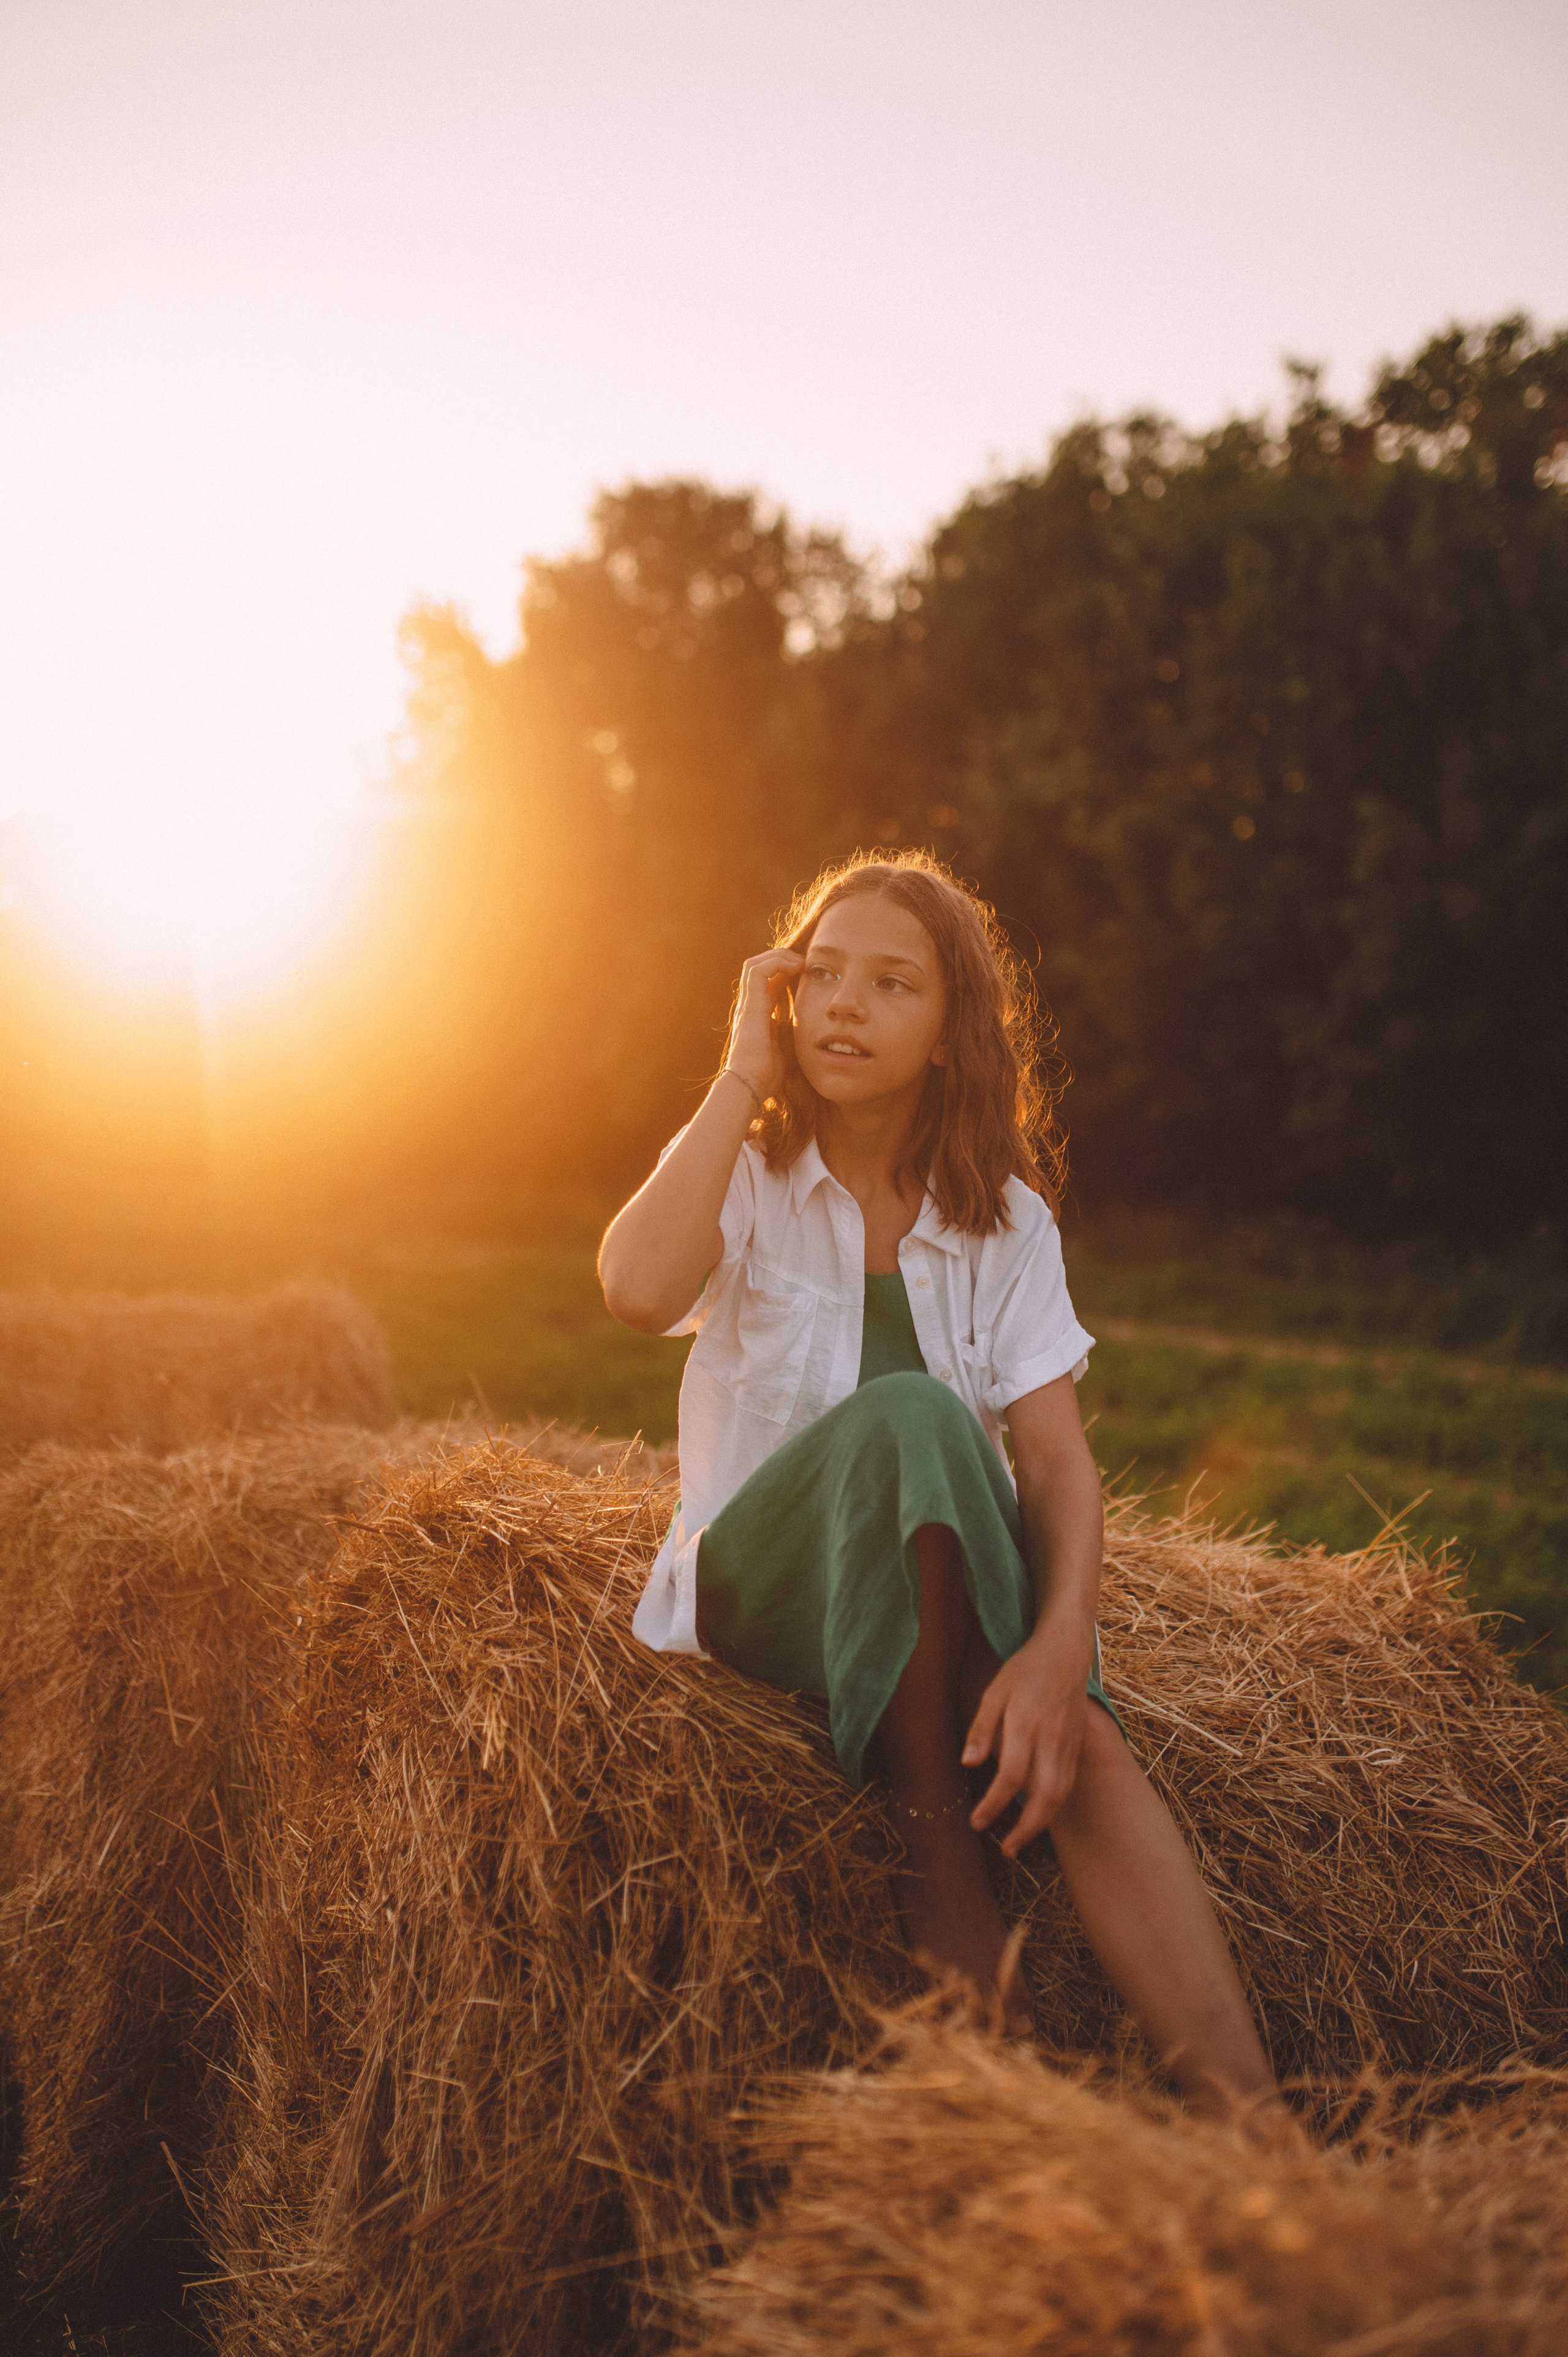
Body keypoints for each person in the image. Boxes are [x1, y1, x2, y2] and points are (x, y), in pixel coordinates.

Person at [598, 849, 1280, 2118]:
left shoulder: (1006, 1221)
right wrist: (737, 1072)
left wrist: (1057, 1641)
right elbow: (636, 1288)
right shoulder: (741, 1171)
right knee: (910, 1413)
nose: (843, 1004)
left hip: (940, 1589)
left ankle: (1258, 2128)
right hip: (772, 1585)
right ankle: (938, 1865)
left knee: (1066, 1723)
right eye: (821, 976)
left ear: (953, 1032)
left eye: (891, 983)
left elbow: (1054, 1455)